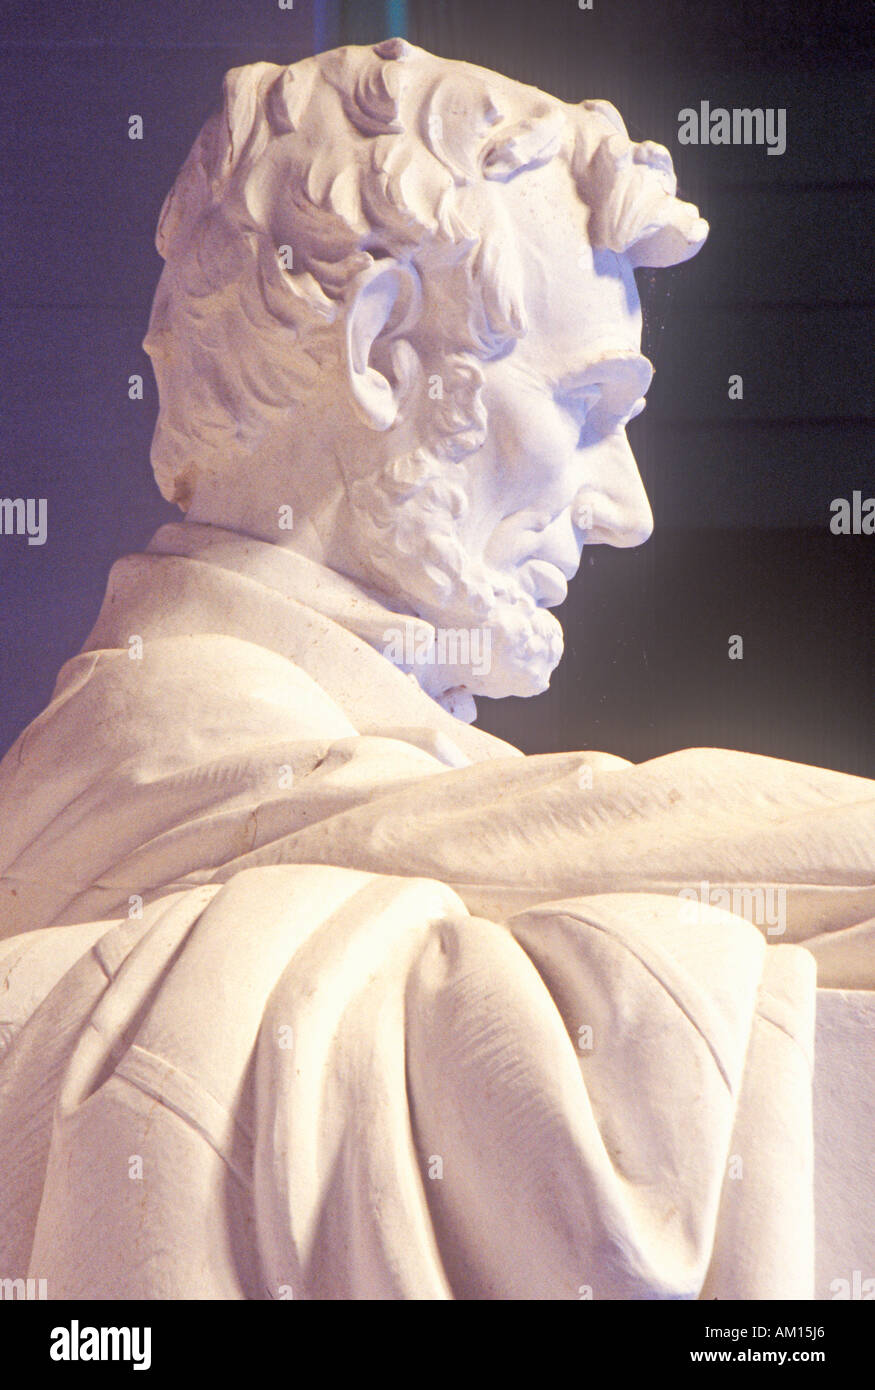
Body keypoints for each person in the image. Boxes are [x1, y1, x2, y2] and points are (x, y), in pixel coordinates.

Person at [0, 39, 871, 1300]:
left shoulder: (362, 807)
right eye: (582, 413)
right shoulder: (164, 767)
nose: (623, 507)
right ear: (380, 350)